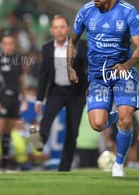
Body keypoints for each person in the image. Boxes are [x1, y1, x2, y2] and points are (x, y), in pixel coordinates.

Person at [67, 0, 139, 176]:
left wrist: (127, 65)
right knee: (97, 124)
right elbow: (71, 42)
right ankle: (120, 114)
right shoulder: (86, 12)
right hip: (97, 76)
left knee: (126, 121)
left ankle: (118, 165)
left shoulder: (128, 12)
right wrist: (69, 66)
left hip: (122, 72)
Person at [31, 14, 88, 172]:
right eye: (56, 27)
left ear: (68, 28)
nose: (59, 30)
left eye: (62, 27)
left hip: (77, 93)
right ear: (51, 30)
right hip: (57, 90)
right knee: (47, 118)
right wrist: (38, 99)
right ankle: (39, 141)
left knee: (72, 130)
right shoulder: (47, 48)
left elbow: (88, 67)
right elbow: (43, 75)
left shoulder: (81, 45)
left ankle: (64, 168)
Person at [0, 32, 28, 172]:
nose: (8, 47)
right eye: (6, 44)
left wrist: (24, 98)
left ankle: (4, 164)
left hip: (14, 99)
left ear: (14, 45)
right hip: (1, 97)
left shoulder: (18, 60)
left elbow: (21, 81)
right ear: (1, 45)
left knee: (8, 133)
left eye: (11, 44)